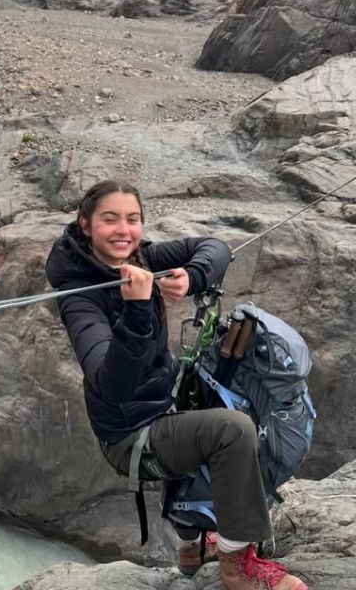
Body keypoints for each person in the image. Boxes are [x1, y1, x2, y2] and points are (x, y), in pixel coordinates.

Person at [44, 180, 307, 590]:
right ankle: (237, 566)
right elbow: (109, 384)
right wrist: (135, 310)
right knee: (232, 431)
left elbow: (214, 245)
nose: (123, 230)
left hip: (162, 406)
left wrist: (193, 278)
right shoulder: (79, 298)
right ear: (85, 225)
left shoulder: (143, 257)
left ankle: (192, 546)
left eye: (132, 219)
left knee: (226, 403)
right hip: (131, 436)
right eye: (109, 219)